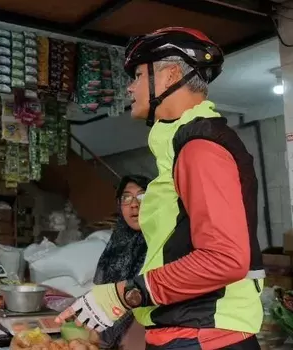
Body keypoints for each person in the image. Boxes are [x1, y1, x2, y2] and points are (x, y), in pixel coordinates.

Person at [55, 27, 265, 350]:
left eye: (137, 75)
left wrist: (123, 293)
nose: (130, 87)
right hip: (185, 331)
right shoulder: (181, 147)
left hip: (205, 337)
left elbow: (225, 258)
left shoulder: (200, 147)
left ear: (167, 77)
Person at [93, 175, 150, 350]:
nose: (134, 204)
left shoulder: (163, 243)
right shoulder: (117, 243)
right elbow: (102, 290)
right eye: (126, 197)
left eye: (142, 196)